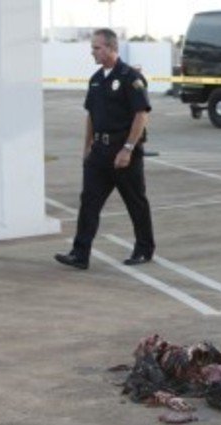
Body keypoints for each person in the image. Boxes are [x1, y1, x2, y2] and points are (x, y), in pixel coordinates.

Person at [55, 28, 155, 269]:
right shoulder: (96, 79)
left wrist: (128, 149)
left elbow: (141, 115)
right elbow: (91, 115)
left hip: (123, 152)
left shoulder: (130, 77)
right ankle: (80, 254)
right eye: (93, 47)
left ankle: (144, 249)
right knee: (89, 202)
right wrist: (87, 147)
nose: (93, 52)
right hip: (99, 152)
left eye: (96, 48)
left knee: (135, 202)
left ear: (111, 48)